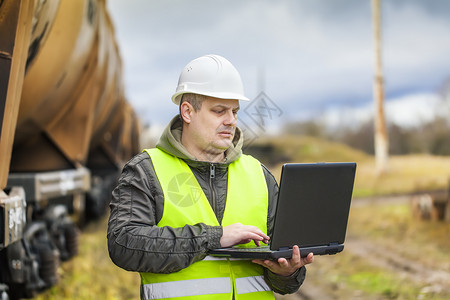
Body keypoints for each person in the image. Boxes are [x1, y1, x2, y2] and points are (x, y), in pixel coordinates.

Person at [107, 54, 314, 300]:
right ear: (187, 112)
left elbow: (285, 283)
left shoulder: (258, 174)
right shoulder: (146, 170)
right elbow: (124, 243)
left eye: (235, 111)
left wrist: (288, 272)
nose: (231, 121)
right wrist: (215, 237)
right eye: (219, 111)